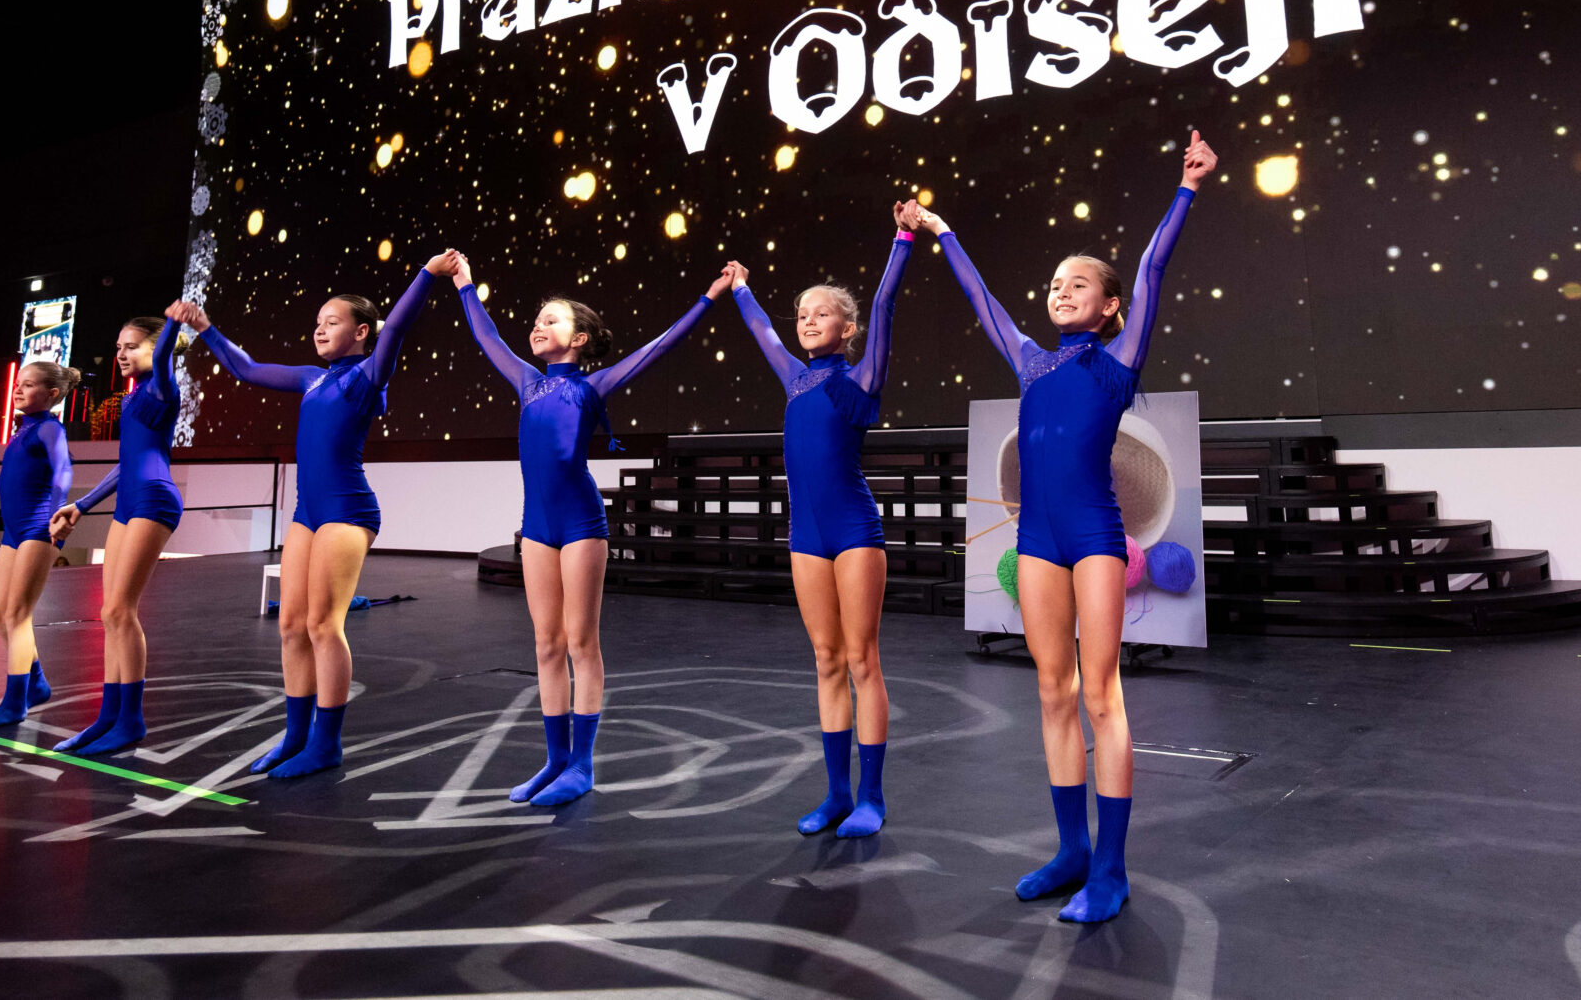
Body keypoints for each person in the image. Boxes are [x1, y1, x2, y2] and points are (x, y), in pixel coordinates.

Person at [900, 128, 1215, 923]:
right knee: (1051, 690)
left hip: (1096, 539)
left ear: (1109, 307)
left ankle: (1111, 867)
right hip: (1037, 542)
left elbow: (1152, 268)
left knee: (1102, 694)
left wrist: (1186, 188)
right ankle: (1072, 849)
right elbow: (981, 298)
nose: (1061, 290)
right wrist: (941, 230)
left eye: (1079, 283)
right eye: (1054, 283)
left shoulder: (1118, 362)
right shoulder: (1031, 361)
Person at [450, 254, 732, 806]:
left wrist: (710, 297)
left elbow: (660, 347)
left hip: (581, 523)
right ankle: (555, 761)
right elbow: (486, 336)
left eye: (551, 320)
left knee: (581, 641)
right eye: (537, 319)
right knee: (546, 644)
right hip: (537, 526)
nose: (538, 326)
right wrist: (464, 284)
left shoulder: (593, 387)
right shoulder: (526, 382)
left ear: (578, 339)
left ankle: (582, 765)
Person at [175, 253, 454, 779]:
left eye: (332, 322)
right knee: (290, 625)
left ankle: (326, 744)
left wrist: (427, 273)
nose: (320, 329)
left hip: (348, 510)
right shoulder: (311, 379)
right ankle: (295, 736)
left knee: (324, 624)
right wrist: (206, 328)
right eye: (318, 322)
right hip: (308, 511)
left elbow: (397, 327)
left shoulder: (369, 375)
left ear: (361, 332)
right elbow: (245, 368)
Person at [724, 218, 913, 838]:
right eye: (802, 314)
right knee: (827, 659)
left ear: (847, 329)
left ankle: (872, 798)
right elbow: (762, 330)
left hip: (854, 531)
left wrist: (902, 242)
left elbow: (884, 305)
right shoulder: (794, 376)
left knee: (861, 659)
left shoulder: (860, 380)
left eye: (821, 314)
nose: (807, 321)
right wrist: (742, 288)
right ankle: (835, 794)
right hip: (805, 535)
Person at [46, 313, 189, 755]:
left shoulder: (163, 386)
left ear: (156, 348)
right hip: (128, 500)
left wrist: (172, 323)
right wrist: (82, 505)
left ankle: (131, 721)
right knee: (109, 614)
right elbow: (127, 463)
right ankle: (108, 717)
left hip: (154, 499)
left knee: (120, 610)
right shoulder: (132, 398)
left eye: (131, 346)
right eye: (118, 348)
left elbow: (163, 356)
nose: (121, 355)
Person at [0, 361, 78, 731]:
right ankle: (37, 683)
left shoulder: (50, 428)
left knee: (18, 615)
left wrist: (59, 514)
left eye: (28, 385)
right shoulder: (22, 429)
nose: (18, 389)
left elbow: (63, 470)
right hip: (12, 531)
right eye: (18, 383)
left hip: (38, 527)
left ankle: (14, 704)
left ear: (52, 394)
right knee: (1, 616)